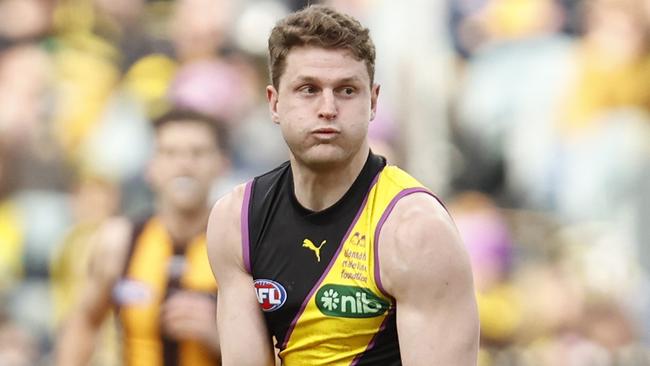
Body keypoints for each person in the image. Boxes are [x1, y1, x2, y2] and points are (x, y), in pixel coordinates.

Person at [207, 5, 479, 366]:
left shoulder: (415, 230)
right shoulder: (236, 220)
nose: (328, 108)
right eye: (308, 89)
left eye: (347, 90)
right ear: (274, 103)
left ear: (373, 101)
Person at [56, 109, 228, 366]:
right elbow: (83, 321)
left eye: (198, 153)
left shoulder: (239, 242)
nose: (184, 164)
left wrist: (221, 337)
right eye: (170, 153)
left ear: (221, 164)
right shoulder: (120, 240)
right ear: (151, 167)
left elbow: (276, 346)